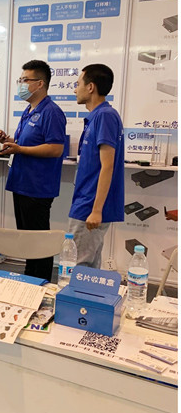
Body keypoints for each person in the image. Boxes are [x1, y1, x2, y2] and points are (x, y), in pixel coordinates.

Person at [0, 60, 67, 280]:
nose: (21, 84)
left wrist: (20, 149)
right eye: (20, 80)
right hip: (21, 183)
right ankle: (29, 280)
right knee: (27, 241)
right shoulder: (29, 110)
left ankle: (40, 282)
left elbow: (56, 148)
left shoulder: (51, 112)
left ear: (40, 84)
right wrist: (10, 142)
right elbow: (26, 143)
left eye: (25, 80)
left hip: (37, 187)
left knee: (39, 243)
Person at [68, 63, 124, 269]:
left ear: (90, 87)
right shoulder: (98, 116)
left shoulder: (105, 116)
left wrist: (96, 210)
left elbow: (107, 166)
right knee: (88, 265)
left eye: (78, 84)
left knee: (77, 264)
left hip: (90, 204)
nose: (75, 90)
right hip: (87, 201)